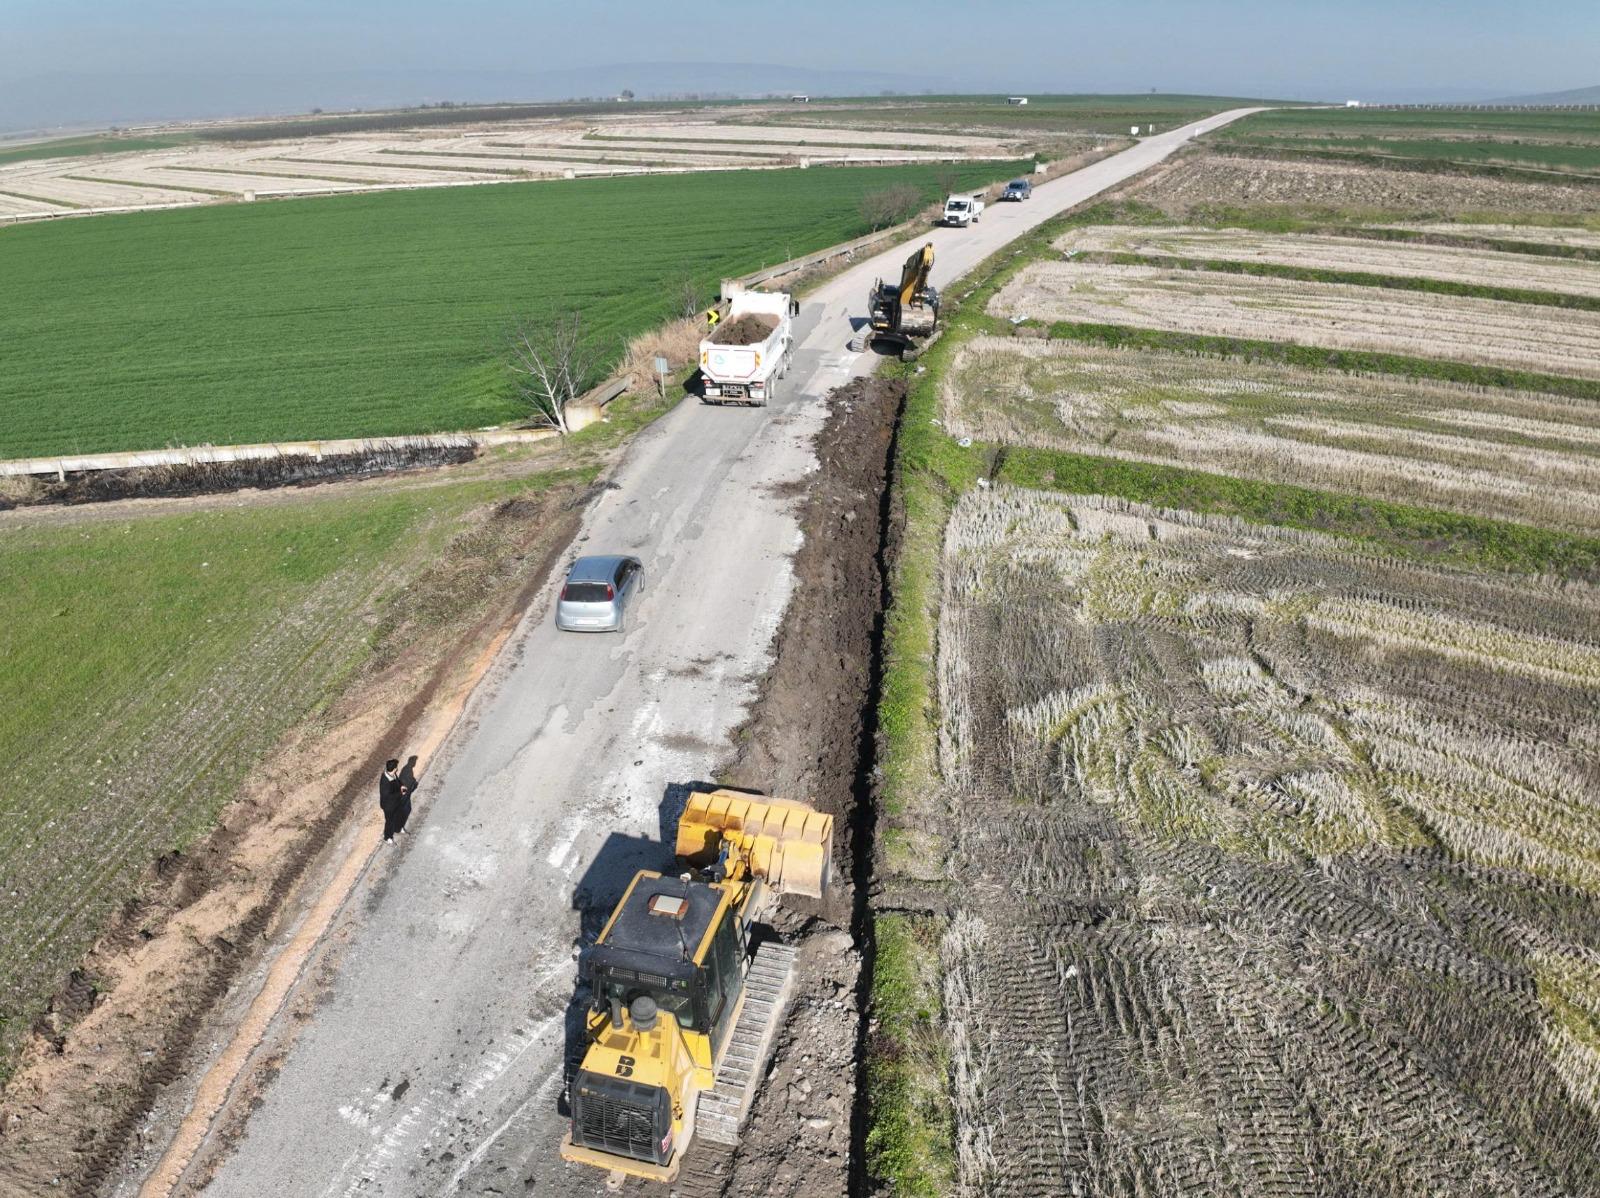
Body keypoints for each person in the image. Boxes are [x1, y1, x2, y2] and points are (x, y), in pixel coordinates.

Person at [378, 759, 405, 844]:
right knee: (389, 821)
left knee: (398, 815)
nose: (397, 769)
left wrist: (401, 786)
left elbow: (397, 781)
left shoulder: (392, 774)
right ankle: (387, 837)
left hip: (396, 802)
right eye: (396, 767)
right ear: (393, 769)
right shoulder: (385, 782)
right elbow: (388, 796)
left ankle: (397, 828)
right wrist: (400, 793)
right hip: (388, 806)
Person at [396, 755, 419, 836]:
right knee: (404, 810)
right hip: (403, 795)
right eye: (414, 761)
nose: (415, 763)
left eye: (415, 761)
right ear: (411, 762)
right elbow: (405, 784)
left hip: (405, 794)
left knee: (406, 810)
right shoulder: (407, 770)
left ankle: (399, 827)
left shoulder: (408, 769)